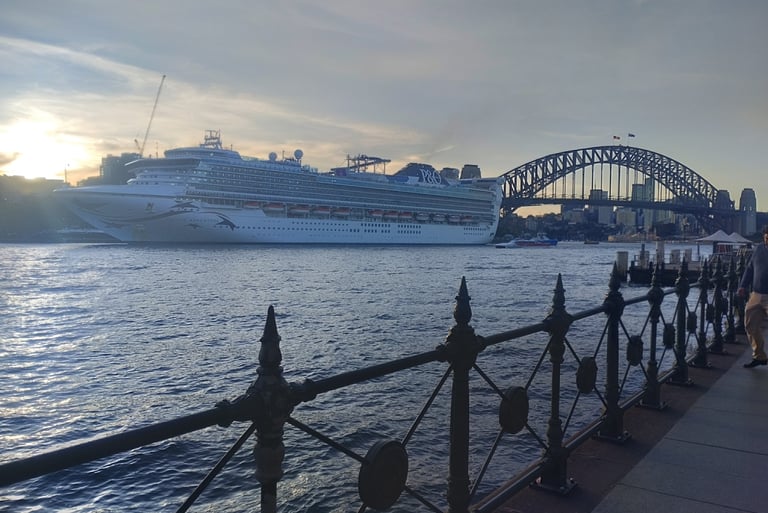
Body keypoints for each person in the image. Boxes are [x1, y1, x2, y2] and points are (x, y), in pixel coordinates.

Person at [738, 224, 768, 367]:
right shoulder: (759, 249)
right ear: (764, 237)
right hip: (756, 294)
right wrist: (743, 285)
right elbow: (749, 269)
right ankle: (759, 356)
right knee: (750, 325)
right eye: (767, 238)